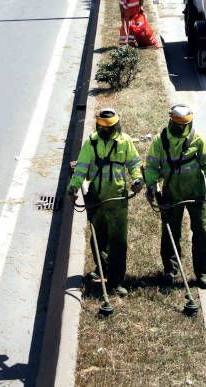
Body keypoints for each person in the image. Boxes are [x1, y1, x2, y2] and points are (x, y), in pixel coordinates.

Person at [67, 108, 144, 296]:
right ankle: (103, 269)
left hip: (118, 199)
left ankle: (116, 282)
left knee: (118, 242)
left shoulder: (125, 142)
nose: (106, 131)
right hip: (97, 198)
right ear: (98, 125)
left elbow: (134, 163)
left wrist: (136, 180)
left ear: (116, 125)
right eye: (102, 127)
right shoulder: (91, 143)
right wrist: (74, 186)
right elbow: (82, 167)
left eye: (109, 127)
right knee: (99, 238)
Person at [144, 104, 206, 289]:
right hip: (172, 194)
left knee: (202, 232)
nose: (180, 128)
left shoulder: (198, 140)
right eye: (177, 124)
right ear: (171, 121)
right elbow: (152, 167)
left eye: (184, 124)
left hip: (196, 194)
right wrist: (152, 185)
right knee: (170, 233)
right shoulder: (159, 141)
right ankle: (170, 271)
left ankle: (202, 273)